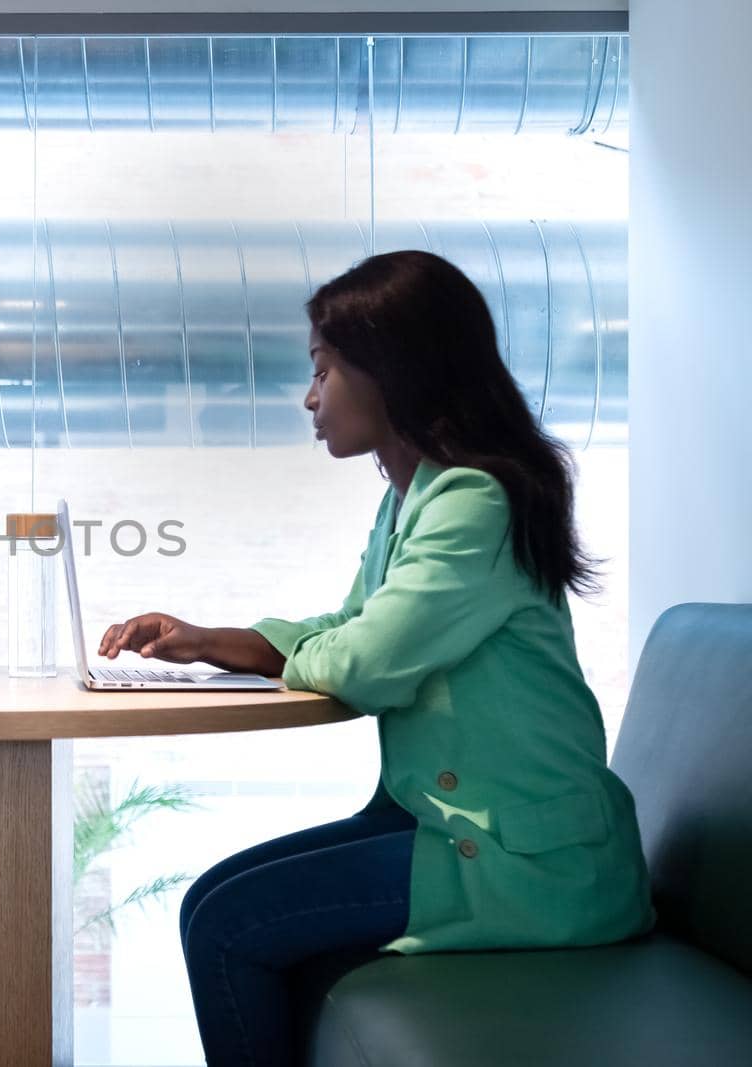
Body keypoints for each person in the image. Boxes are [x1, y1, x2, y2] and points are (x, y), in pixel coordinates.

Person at [98, 250, 652, 1067]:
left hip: (526, 860)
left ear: (392, 370)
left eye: (323, 370)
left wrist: (298, 652)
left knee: (226, 926)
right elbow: (356, 622)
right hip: (448, 824)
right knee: (210, 902)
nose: (310, 396)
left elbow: (367, 661)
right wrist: (211, 640)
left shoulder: (474, 499)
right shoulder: (413, 493)